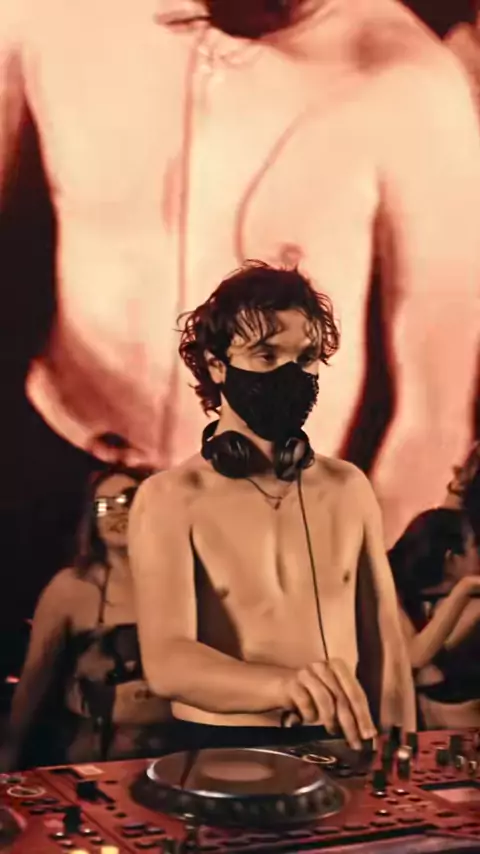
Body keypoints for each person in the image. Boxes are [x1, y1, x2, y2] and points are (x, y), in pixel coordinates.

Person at [1, 0, 479, 551]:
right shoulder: (45, 16)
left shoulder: (414, 89)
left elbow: (433, 421)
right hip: (55, 472)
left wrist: (363, 582)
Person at [128, 263, 416, 754]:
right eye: (266, 355)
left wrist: (401, 756)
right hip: (223, 749)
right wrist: (284, 686)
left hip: (342, 744)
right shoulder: (169, 498)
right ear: (217, 365)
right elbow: (168, 662)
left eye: (305, 358)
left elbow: (384, 643)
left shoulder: (348, 488)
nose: (290, 373)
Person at [0, 467, 171, 771]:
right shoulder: (72, 588)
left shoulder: (183, 582)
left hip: (174, 755)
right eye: (104, 505)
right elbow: (34, 682)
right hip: (95, 758)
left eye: (127, 499)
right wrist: (9, 757)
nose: (117, 512)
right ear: (93, 521)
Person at [389, 503, 480, 729]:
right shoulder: (387, 587)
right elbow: (414, 657)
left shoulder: (438, 596)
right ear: (451, 559)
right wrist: (465, 589)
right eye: (475, 547)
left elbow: (441, 646)